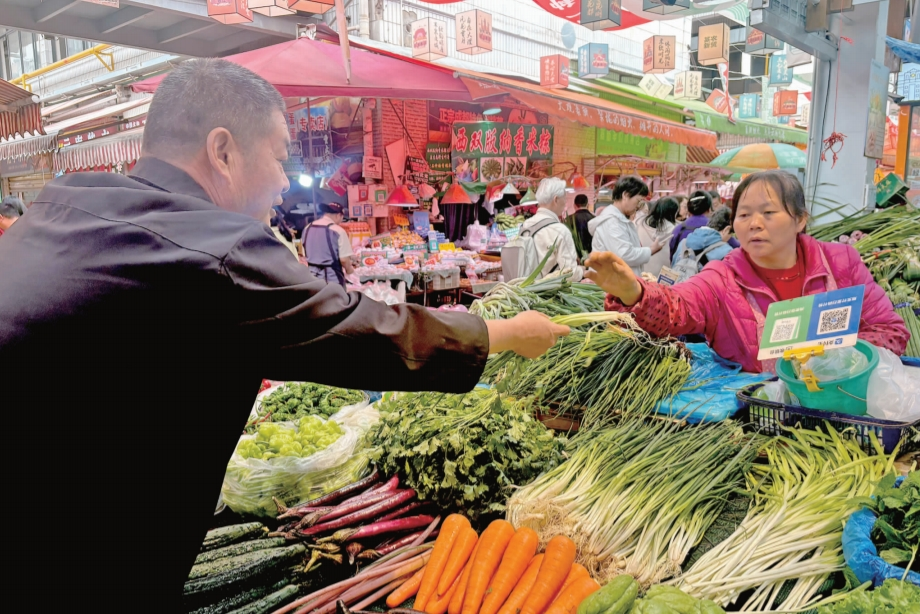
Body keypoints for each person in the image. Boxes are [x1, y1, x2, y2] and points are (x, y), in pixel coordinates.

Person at [0, 59, 569, 605]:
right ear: (222, 151)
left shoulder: (62, 206)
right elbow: (360, 329)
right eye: (277, 159)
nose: (282, 185)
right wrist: (505, 333)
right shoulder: (214, 246)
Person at [586, 170, 909, 373]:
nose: (754, 223)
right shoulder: (722, 277)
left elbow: (891, 331)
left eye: (769, 212)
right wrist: (635, 294)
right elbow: (677, 307)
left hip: (839, 407)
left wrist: (834, 362)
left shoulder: (841, 265)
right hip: (757, 424)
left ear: (800, 219)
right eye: (743, 214)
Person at [589, 175, 659, 276]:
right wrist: (652, 249)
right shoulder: (612, 222)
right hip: (614, 284)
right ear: (625, 195)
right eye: (638, 201)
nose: (638, 206)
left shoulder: (620, 219)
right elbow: (624, 255)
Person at [518, 177, 585, 280]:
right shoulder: (560, 230)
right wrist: (582, 271)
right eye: (565, 199)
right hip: (549, 294)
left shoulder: (525, 225)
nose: (565, 203)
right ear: (556, 200)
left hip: (525, 291)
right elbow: (570, 273)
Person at [668, 190, 740, 257]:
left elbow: (672, 256)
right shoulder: (718, 227)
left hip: (683, 269)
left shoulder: (678, 229)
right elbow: (737, 248)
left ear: (689, 210)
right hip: (711, 270)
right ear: (709, 209)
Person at [302, 202, 355, 283]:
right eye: (342, 218)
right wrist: (349, 270)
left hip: (311, 278)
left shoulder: (307, 227)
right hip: (331, 280)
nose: (341, 221)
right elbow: (344, 259)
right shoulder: (338, 230)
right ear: (338, 215)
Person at [635, 197, 678, 277]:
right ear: (673, 212)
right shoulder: (675, 230)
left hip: (642, 274)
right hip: (665, 276)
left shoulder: (639, 224)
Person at [565, 193, 594, 259]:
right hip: (592, 257)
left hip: (574, 258)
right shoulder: (595, 219)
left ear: (574, 206)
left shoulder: (568, 220)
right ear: (588, 205)